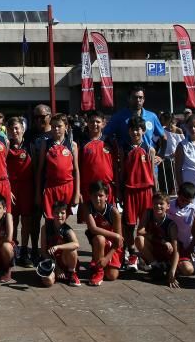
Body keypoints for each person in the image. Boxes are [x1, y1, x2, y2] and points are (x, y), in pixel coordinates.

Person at [120, 115, 157, 271]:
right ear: (129, 131)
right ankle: (131, 253)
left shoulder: (150, 149)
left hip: (146, 191)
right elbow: (121, 172)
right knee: (129, 225)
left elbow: (153, 173)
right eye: (133, 129)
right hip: (130, 190)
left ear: (143, 130)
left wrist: (155, 191)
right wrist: (120, 191)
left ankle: (145, 254)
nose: (136, 132)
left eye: (138, 129)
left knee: (146, 226)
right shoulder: (125, 148)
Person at [135, 192, 186, 288]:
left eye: (161, 204)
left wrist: (172, 272)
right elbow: (140, 231)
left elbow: (176, 250)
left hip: (166, 253)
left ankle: (167, 268)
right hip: (155, 248)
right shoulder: (148, 213)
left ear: (168, 206)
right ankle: (156, 267)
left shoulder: (171, 225)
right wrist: (161, 240)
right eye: (155, 203)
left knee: (186, 270)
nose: (158, 206)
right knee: (139, 239)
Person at [35, 114, 80, 221]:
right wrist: (37, 193)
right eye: (53, 126)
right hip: (50, 188)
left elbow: (76, 170)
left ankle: (62, 238)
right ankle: (49, 237)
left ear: (66, 127)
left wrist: (77, 193)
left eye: (59, 126)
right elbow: (40, 170)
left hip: (67, 187)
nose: (56, 129)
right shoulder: (45, 144)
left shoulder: (72, 145)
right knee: (50, 220)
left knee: (62, 220)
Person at [80, 180, 123, 286]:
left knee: (112, 276)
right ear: (90, 196)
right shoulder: (87, 207)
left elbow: (119, 241)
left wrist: (107, 257)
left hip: (113, 245)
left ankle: (98, 261)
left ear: (107, 196)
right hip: (98, 241)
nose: (97, 198)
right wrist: (116, 235)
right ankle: (99, 271)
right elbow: (93, 229)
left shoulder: (114, 212)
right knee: (100, 238)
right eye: (94, 195)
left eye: (101, 195)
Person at [6, 116, 35, 266]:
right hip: (11, 188)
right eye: (12, 129)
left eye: (17, 128)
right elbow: (2, 168)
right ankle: (13, 249)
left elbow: (36, 168)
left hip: (27, 187)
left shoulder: (30, 146)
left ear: (23, 129)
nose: (15, 131)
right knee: (13, 220)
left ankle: (24, 251)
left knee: (26, 220)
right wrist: (7, 189)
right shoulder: (6, 146)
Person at [78, 111, 116, 222]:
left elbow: (116, 165)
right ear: (87, 123)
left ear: (103, 123)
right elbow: (77, 167)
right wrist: (78, 190)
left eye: (98, 122)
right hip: (88, 188)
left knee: (109, 219)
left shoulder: (110, 141)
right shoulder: (81, 142)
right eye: (92, 121)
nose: (95, 124)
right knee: (91, 221)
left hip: (107, 187)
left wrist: (117, 186)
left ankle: (110, 239)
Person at [106, 87, 165, 152]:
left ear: (143, 99)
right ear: (128, 99)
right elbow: (106, 135)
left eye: (140, 97)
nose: (138, 100)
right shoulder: (118, 117)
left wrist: (161, 155)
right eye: (134, 97)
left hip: (148, 158)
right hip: (127, 159)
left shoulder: (152, 116)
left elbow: (163, 137)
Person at [37, 201, 79, 288]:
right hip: (51, 261)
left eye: (62, 213)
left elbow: (76, 244)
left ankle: (72, 274)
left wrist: (58, 247)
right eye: (56, 213)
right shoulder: (45, 228)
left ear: (66, 214)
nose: (59, 215)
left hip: (65, 260)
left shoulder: (68, 230)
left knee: (73, 249)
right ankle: (56, 275)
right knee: (47, 282)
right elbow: (43, 252)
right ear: (52, 213)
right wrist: (56, 268)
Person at [167, 182, 195, 267]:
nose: (184, 203)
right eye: (182, 200)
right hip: (170, 243)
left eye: (187, 201)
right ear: (178, 194)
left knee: (188, 270)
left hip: (186, 245)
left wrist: (191, 246)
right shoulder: (169, 205)